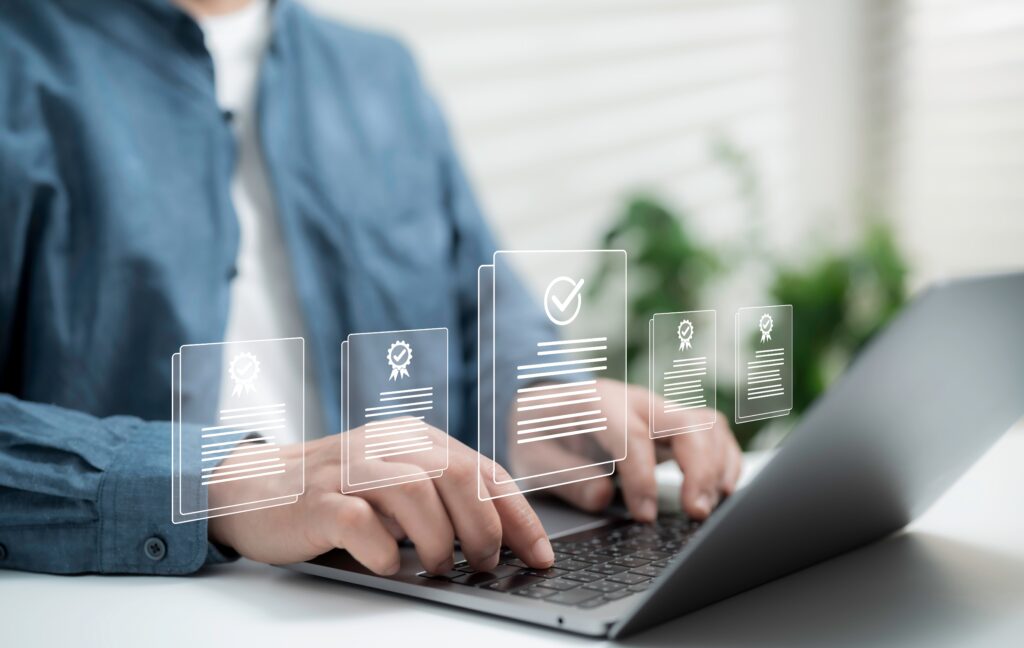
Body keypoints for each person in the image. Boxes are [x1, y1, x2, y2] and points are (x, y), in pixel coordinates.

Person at [0, 0, 741, 577]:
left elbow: (489, 310)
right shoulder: (17, 65)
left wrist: (536, 405)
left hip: (423, 583)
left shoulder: (382, 74)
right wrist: (224, 480)